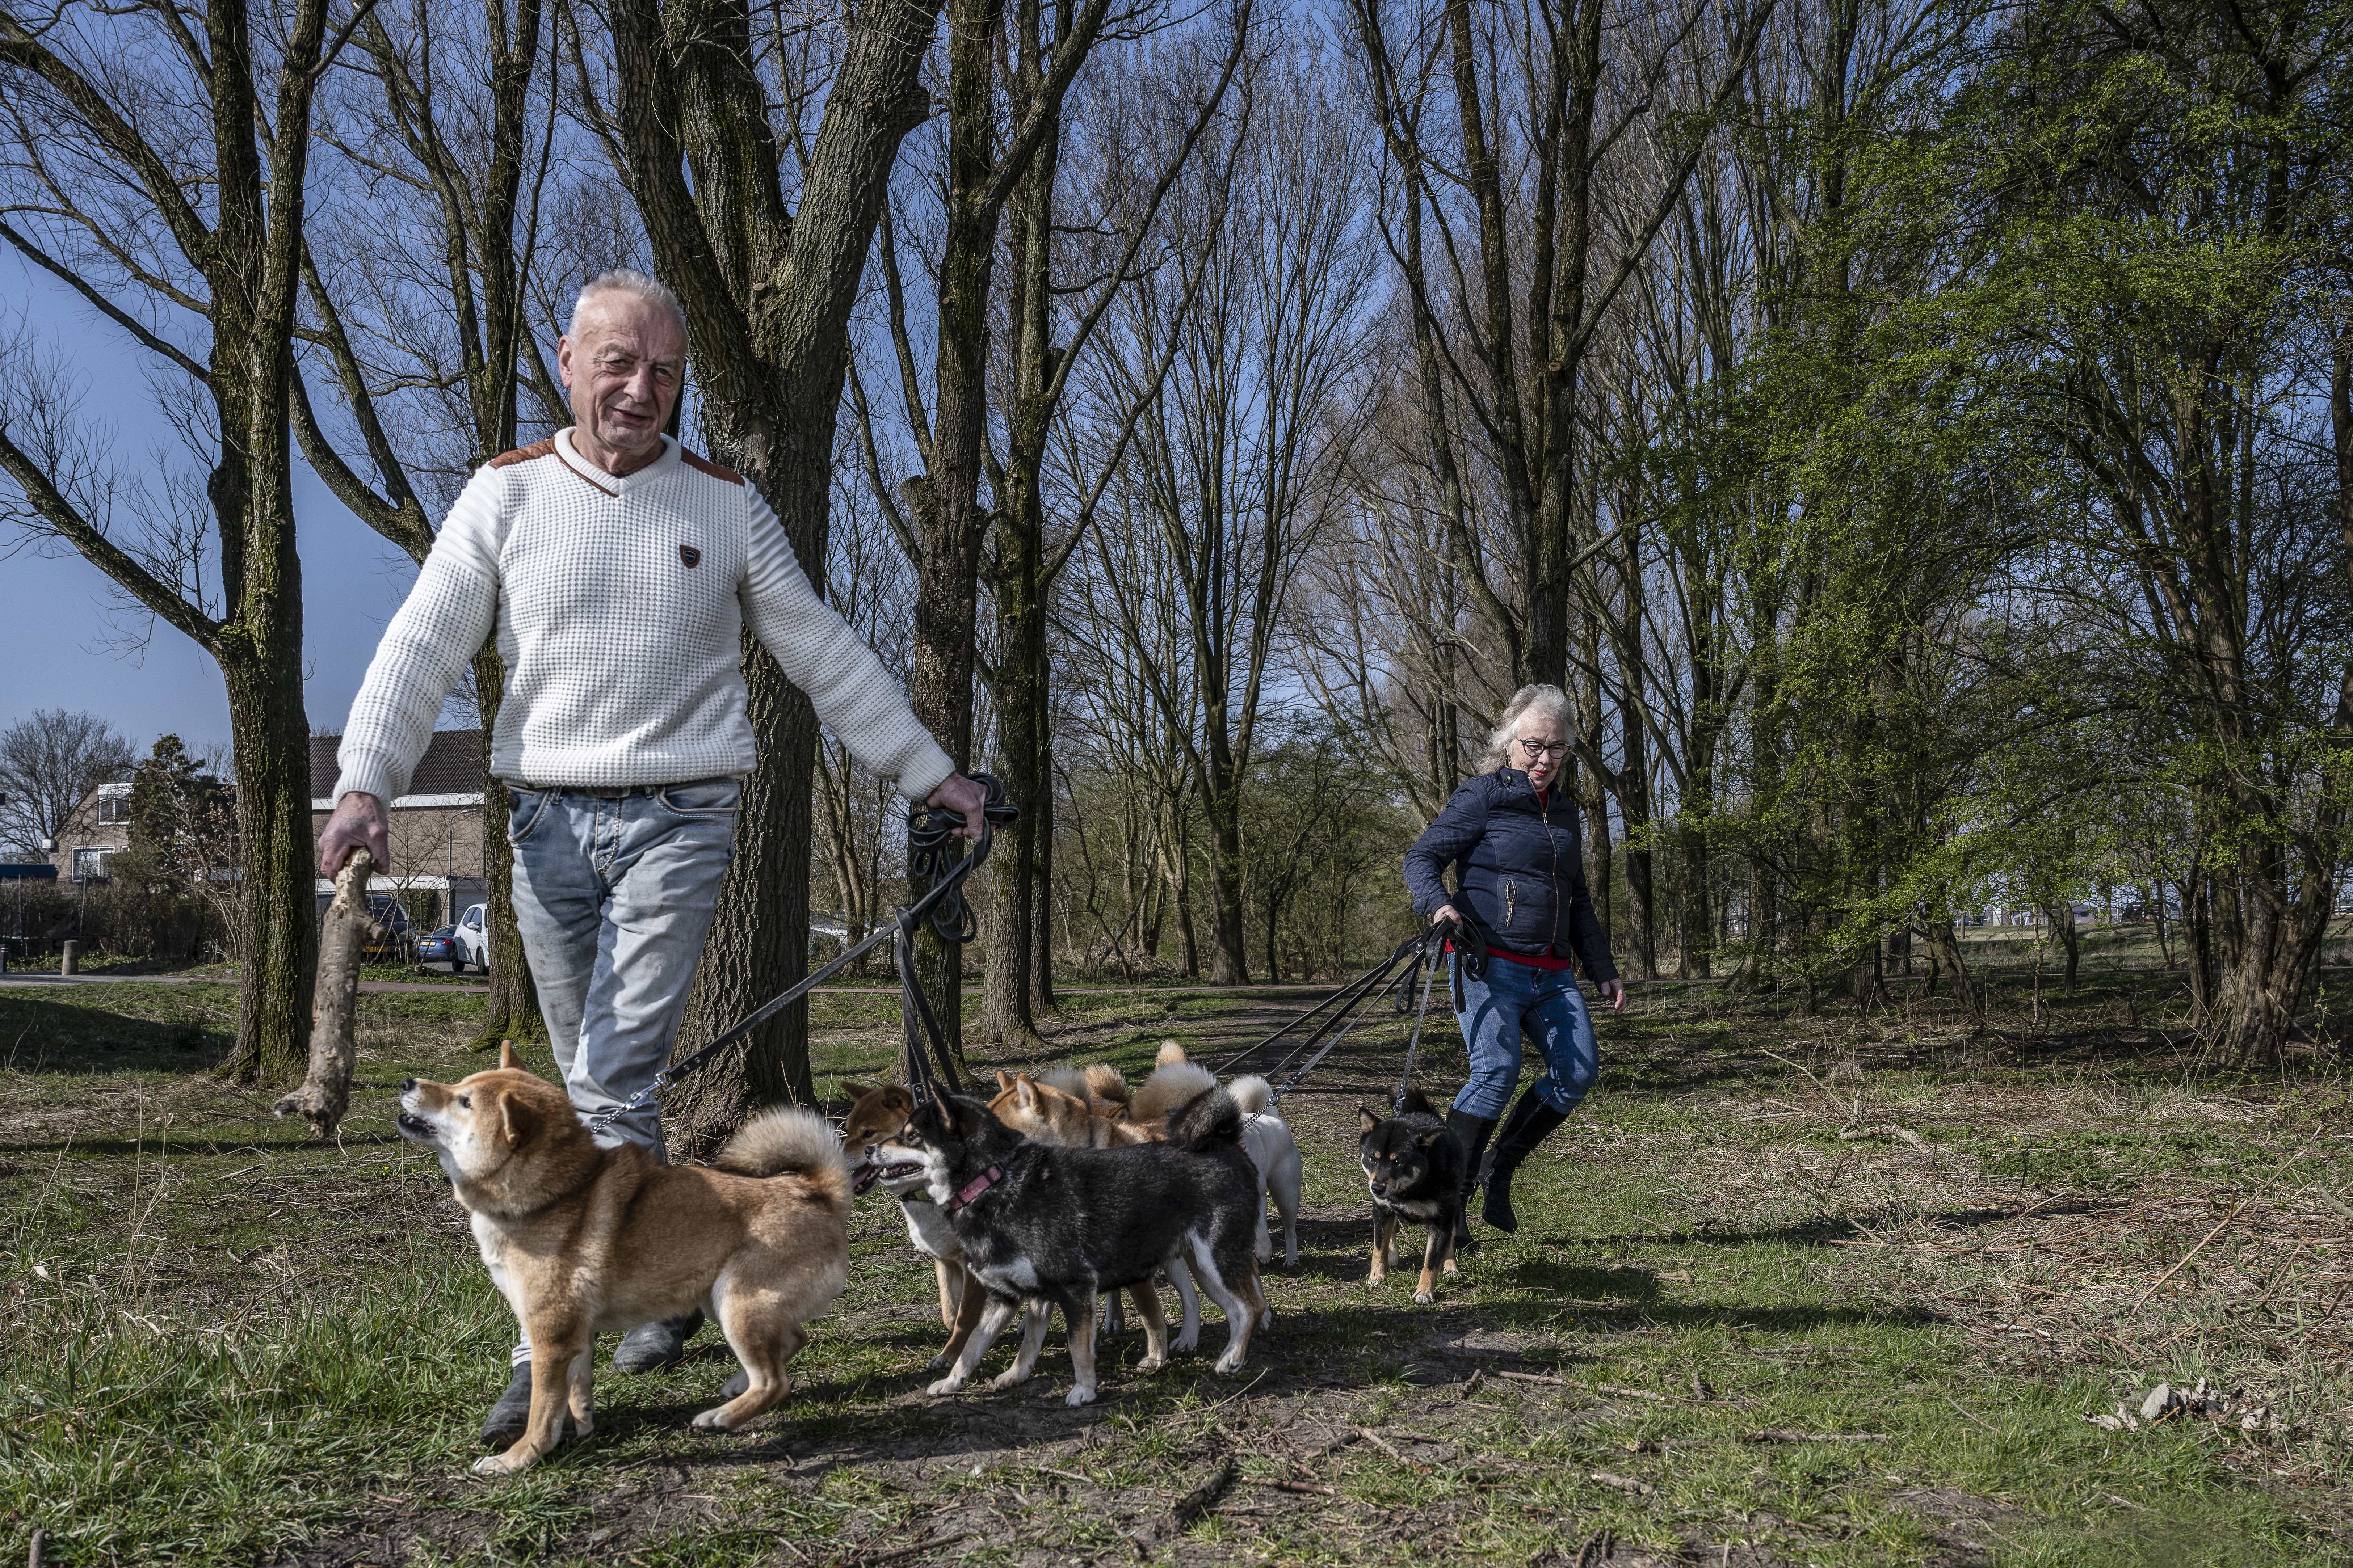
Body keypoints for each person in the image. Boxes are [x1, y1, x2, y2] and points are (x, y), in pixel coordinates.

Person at [315, 268, 983, 1443]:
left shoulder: (723, 506)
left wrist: (932, 773)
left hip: (684, 816)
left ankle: (545, 1361)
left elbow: (820, 648)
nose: (641, 389)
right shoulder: (507, 496)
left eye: (665, 372)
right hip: (546, 820)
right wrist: (366, 780)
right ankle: (666, 1274)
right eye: (617, 365)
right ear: (568, 366)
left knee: (616, 1064)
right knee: (576, 1081)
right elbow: (424, 638)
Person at [1401, 684, 1627, 1246]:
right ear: (1509, 743)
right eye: (1533, 746)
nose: (1544, 760)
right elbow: (1421, 858)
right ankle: (1446, 1209)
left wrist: (1602, 966)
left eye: (1556, 750)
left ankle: (1496, 1169)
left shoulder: (1570, 814)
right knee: (1496, 1072)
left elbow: (1577, 899)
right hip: (1486, 962)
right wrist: (1438, 905)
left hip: (1550, 970)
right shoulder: (1482, 797)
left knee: (1576, 1073)